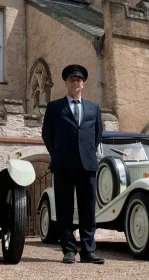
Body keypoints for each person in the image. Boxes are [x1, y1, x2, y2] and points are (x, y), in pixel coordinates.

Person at [41, 64, 105, 264]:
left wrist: (86, 152)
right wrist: (58, 153)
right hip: (63, 164)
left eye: (79, 80)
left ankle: (88, 251)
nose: (75, 82)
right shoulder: (54, 107)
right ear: (66, 83)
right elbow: (47, 134)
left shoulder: (93, 108)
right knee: (64, 208)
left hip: (87, 165)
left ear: (83, 84)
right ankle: (68, 249)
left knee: (88, 210)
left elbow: (97, 134)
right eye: (72, 79)